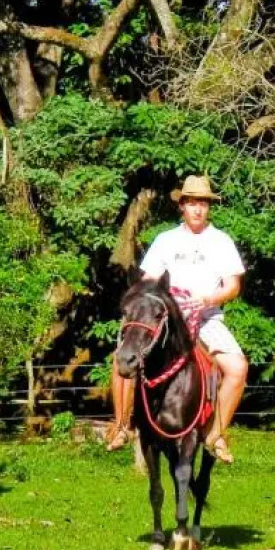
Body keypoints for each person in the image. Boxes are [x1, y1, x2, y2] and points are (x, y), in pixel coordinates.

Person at [107, 175, 248, 463]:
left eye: (203, 204)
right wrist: (147, 304)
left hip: (207, 317)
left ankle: (216, 433)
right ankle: (122, 425)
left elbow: (233, 286)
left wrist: (208, 299)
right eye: (192, 203)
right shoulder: (165, 240)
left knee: (237, 367)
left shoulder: (221, 241)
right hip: (166, 318)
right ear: (181, 206)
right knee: (122, 357)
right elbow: (149, 282)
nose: (198, 209)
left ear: (209, 207)